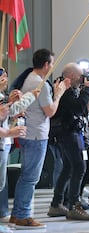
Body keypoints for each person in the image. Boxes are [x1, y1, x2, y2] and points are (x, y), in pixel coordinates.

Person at [9, 49, 69, 229]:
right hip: (36, 135)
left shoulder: (29, 77)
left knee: (27, 176)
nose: (52, 66)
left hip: (30, 132)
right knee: (30, 177)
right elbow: (50, 111)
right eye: (51, 63)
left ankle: (18, 213)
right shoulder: (40, 83)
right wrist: (59, 93)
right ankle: (23, 215)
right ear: (46, 65)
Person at [46, 63, 89, 220]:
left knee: (68, 167)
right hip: (68, 133)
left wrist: (88, 93)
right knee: (79, 166)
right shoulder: (65, 89)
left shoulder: (67, 88)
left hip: (68, 132)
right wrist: (87, 90)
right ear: (73, 76)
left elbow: (83, 110)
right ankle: (74, 205)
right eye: (81, 76)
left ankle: (56, 204)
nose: (83, 79)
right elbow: (79, 108)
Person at [0, 68, 39, 232]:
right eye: (1, 75)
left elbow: (8, 113)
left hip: (4, 144)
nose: (5, 78)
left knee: (1, 183)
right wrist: (31, 96)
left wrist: (11, 112)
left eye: (6, 75)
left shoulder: (2, 97)